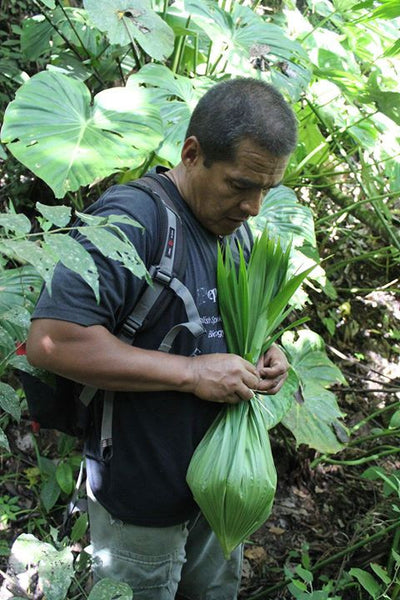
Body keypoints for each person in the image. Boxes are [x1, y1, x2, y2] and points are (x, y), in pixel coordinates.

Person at [26, 77, 297, 600]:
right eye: (241, 185)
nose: (255, 207)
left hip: (218, 498)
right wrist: (193, 374)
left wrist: (265, 353)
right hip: (141, 505)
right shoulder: (136, 219)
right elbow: (53, 340)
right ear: (192, 153)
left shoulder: (232, 231)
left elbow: (214, 328)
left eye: (268, 189)